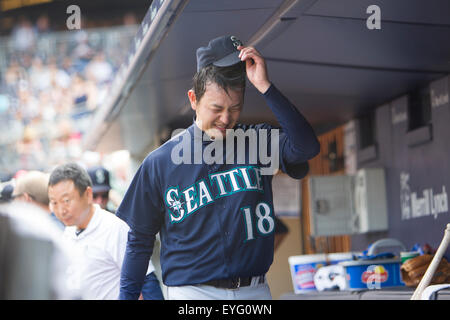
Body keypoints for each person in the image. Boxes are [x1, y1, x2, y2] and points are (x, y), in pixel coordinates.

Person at [117, 35, 320, 300]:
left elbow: (306, 148)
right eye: (216, 108)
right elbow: (139, 242)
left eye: (235, 108)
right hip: (193, 293)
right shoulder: (159, 162)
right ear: (193, 99)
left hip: (254, 291)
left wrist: (265, 86)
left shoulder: (256, 142)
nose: (226, 118)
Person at [48, 163, 164, 300]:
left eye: (66, 201)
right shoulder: (66, 234)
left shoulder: (115, 228)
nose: (61, 210)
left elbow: (146, 281)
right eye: (54, 203)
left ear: (88, 194)